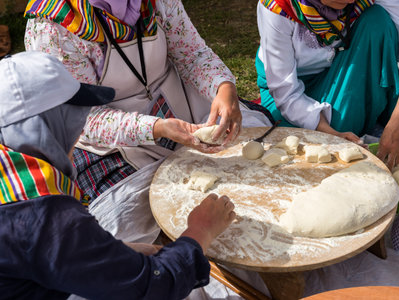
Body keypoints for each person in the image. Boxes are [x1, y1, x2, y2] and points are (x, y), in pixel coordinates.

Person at [23, 0, 271, 244]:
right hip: (115, 139)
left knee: (258, 145)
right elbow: (84, 117)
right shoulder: (54, 25)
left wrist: (223, 87)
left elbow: (193, 55)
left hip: (180, 98)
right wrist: (156, 128)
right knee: (117, 225)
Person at [0, 51, 236, 300]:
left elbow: (43, 256)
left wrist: (114, 253)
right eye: (73, 125)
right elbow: (153, 287)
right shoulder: (44, 217)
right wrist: (200, 231)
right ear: (49, 130)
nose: (78, 136)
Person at [255, 0, 399, 169]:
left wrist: (398, 123)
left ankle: (372, 110)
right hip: (285, 90)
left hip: (336, 67)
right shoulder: (277, 7)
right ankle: (366, 110)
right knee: (337, 134)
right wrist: (333, 134)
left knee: (378, 20)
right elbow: (285, 92)